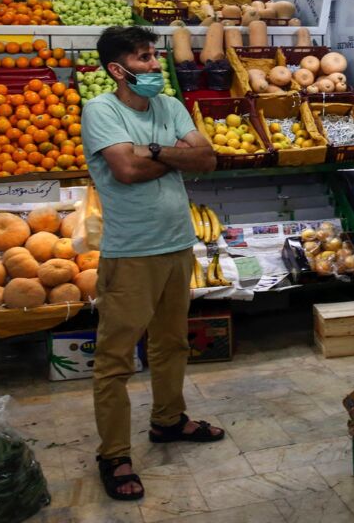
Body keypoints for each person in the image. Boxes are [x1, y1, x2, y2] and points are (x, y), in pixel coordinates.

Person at [81, 26, 223, 501]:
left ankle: (168, 421)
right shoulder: (101, 109)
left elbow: (206, 158)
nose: (154, 65)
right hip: (131, 251)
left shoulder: (169, 105)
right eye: (143, 58)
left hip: (177, 244)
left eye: (154, 56)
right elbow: (125, 169)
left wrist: (157, 151)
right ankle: (114, 454)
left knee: (172, 343)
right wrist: (176, 155)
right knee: (116, 359)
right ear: (117, 69)